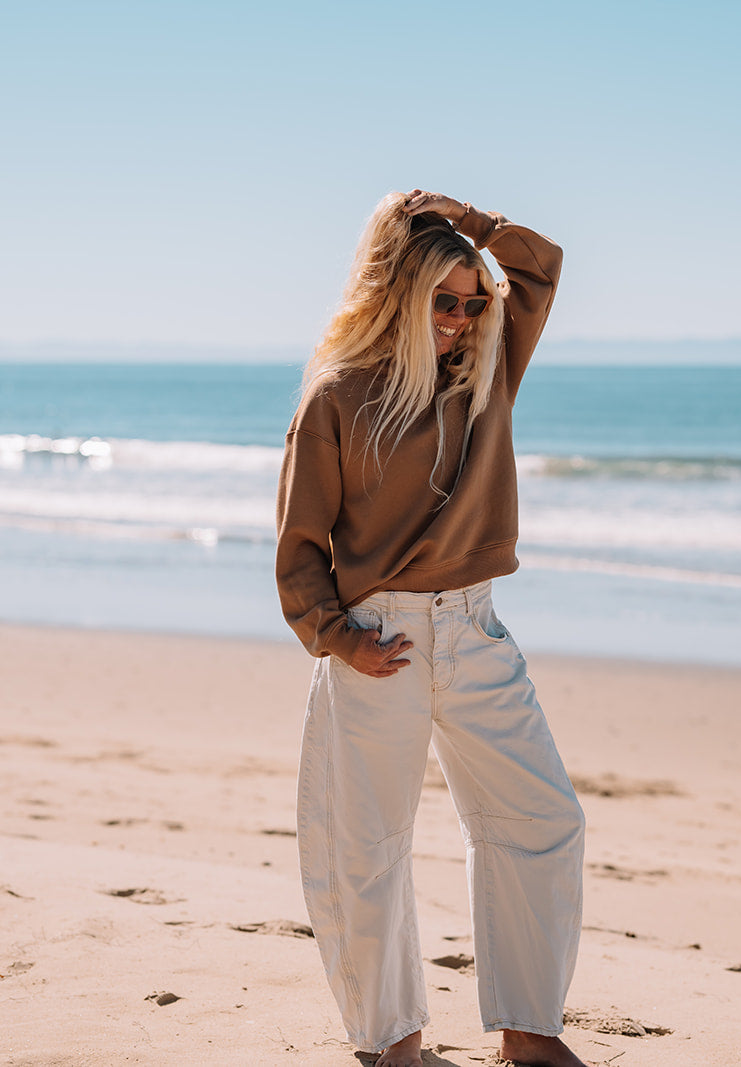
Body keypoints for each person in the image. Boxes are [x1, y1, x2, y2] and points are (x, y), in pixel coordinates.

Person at [276, 190, 588, 1067]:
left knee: (542, 818)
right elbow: (300, 548)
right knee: (366, 845)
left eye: (470, 300)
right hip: (378, 639)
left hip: (478, 629)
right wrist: (340, 638)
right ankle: (392, 1039)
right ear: (402, 297)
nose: (459, 318)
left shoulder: (490, 369)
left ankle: (529, 1031)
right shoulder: (338, 397)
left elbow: (541, 266)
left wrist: (477, 225)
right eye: (441, 301)